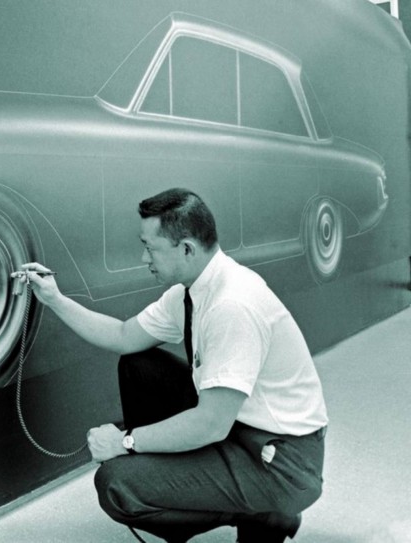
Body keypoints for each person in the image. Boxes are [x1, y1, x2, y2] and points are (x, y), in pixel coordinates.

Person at [20, 188, 327, 543]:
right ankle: (233, 495)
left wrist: (125, 442)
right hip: (240, 428)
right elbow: (123, 335)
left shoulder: (232, 305)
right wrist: (54, 299)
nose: (143, 257)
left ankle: (267, 513)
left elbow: (211, 424)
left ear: (186, 249)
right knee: (139, 365)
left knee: (117, 485)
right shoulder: (193, 288)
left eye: (150, 247)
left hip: (283, 462)